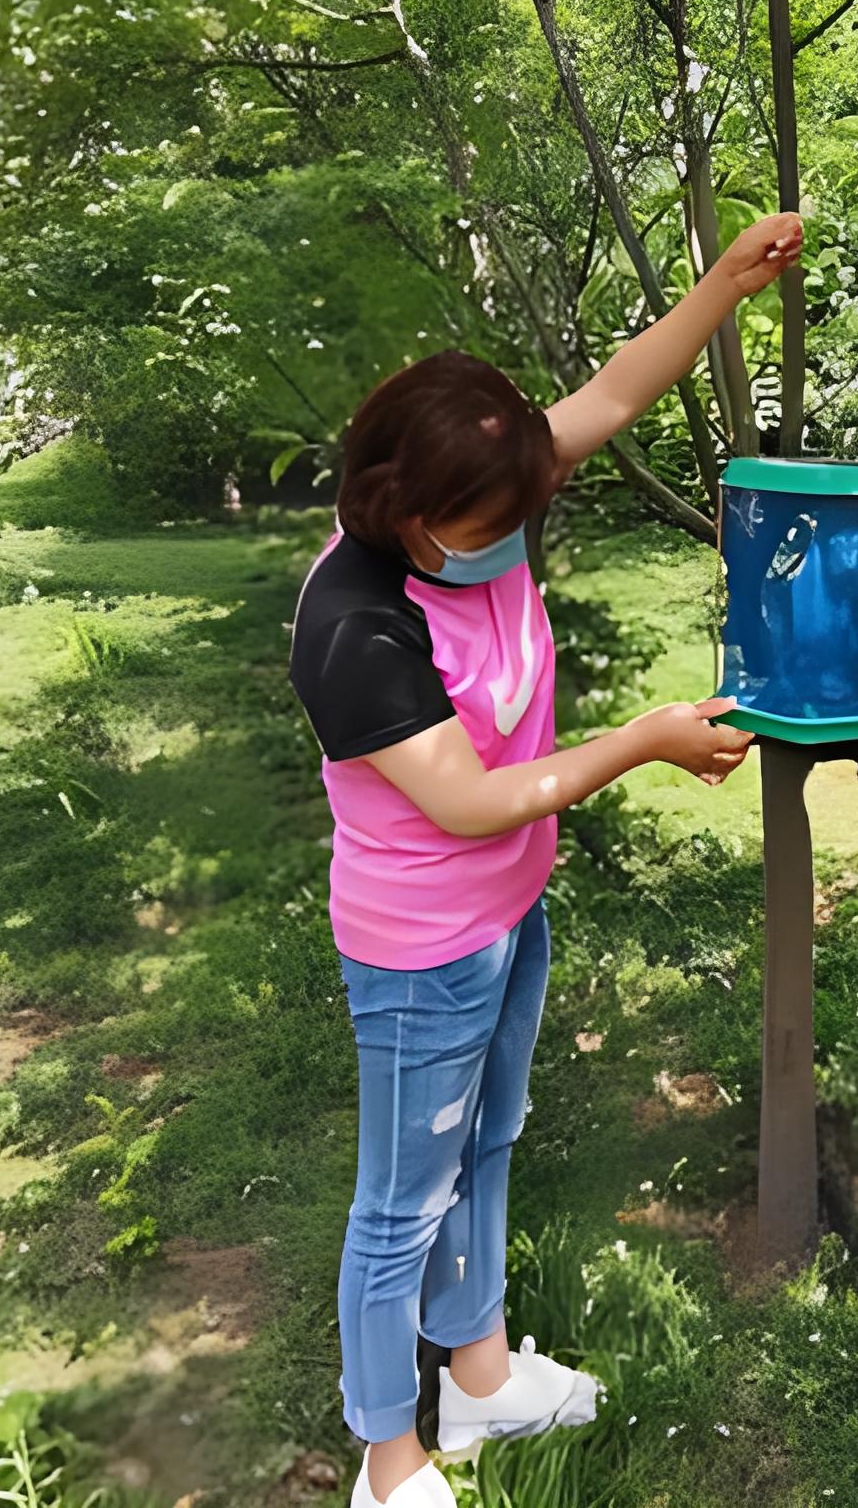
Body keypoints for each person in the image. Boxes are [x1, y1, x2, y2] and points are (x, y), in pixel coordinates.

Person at [287, 215, 802, 1508]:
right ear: (406, 516)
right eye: (492, 523)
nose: (520, 533)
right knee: (400, 1198)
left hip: (511, 913)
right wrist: (640, 743)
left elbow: (621, 388)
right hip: (419, 948)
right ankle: (386, 1458)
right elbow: (465, 800)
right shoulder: (354, 627)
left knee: (492, 1141)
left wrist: (723, 284)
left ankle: (478, 1381)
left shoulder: (490, 482)